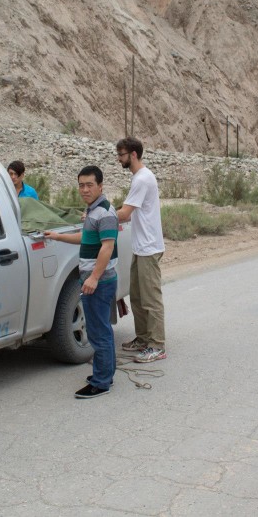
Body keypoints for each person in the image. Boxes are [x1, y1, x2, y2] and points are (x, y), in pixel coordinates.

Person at [44, 166, 119, 398]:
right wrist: (58, 236)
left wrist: (94, 278)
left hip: (100, 281)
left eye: (89, 185)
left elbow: (108, 247)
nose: (84, 189)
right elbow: (86, 238)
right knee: (100, 329)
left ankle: (101, 382)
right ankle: (106, 373)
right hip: (95, 279)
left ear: (100, 186)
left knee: (98, 332)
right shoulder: (94, 211)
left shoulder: (104, 213)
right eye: (81, 185)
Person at [115, 137, 166, 363]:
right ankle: (143, 338)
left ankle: (157, 345)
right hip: (141, 247)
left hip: (149, 248)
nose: (119, 159)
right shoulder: (140, 177)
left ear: (133, 154)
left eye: (122, 154)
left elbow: (125, 213)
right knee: (136, 296)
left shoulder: (142, 179)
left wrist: (98, 215)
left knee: (151, 299)